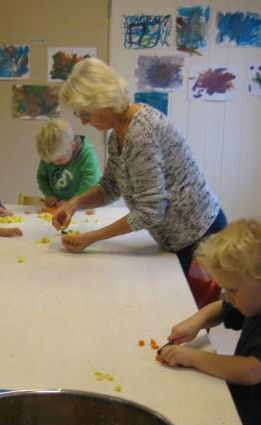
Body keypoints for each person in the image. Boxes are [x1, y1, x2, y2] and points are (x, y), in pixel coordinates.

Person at [51, 58, 227, 275]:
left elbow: (151, 210)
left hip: (200, 236)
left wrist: (93, 237)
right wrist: (74, 204)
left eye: (85, 113)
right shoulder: (117, 134)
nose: (84, 122)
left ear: (103, 102)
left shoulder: (141, 133)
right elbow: (110, 187)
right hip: (177, 239)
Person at [156, 219, 261, 425]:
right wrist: (196, 322)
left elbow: (251, 370)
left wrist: (192, 356)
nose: (229, 297)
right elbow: (222, 309)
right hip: (244, 412)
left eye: (233, 290)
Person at [35, 119, 101, 207]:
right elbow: (42, 177)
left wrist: (73, 203)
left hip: (86, 205)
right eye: (50, 161)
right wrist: (49, 194)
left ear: (72, 147)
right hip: (61, 206)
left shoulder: (86, 155)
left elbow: (91, 181)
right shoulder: (51, 154)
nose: (55, 164)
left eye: (59, 159)